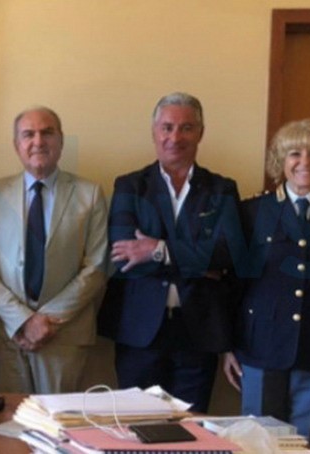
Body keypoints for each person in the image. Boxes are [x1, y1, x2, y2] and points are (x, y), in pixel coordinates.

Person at [222, 119, 310, 448]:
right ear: (280, 161)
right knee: (257, 443)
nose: (305, 162)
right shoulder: (252, 211)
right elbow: (235, 285)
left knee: (308, 444)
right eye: (294, 153)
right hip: (259, 346)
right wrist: (227, 346)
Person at [98, 92, 241, 413]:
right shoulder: (129, 186)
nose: (175, 137)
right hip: (139, 329)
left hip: (199, 329)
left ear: (200, 133)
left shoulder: (222, 189)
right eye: (167, 127)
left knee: (190, 427)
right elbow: (124, 255)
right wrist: (200, 263)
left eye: (186, 128)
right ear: (154, 132)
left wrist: (158, 249)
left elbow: (227, 254)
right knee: (137, 425)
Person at [0, 107, 109, 394]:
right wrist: (22, 320)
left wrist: (47, 321)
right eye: (28, 134)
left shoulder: (90, 194)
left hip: (64, 337)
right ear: (17, 145)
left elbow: (97, 267)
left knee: (58, 420)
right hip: (7, 334)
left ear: (61, 141)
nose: (38, 141)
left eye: (47, 133)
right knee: (8, 419)